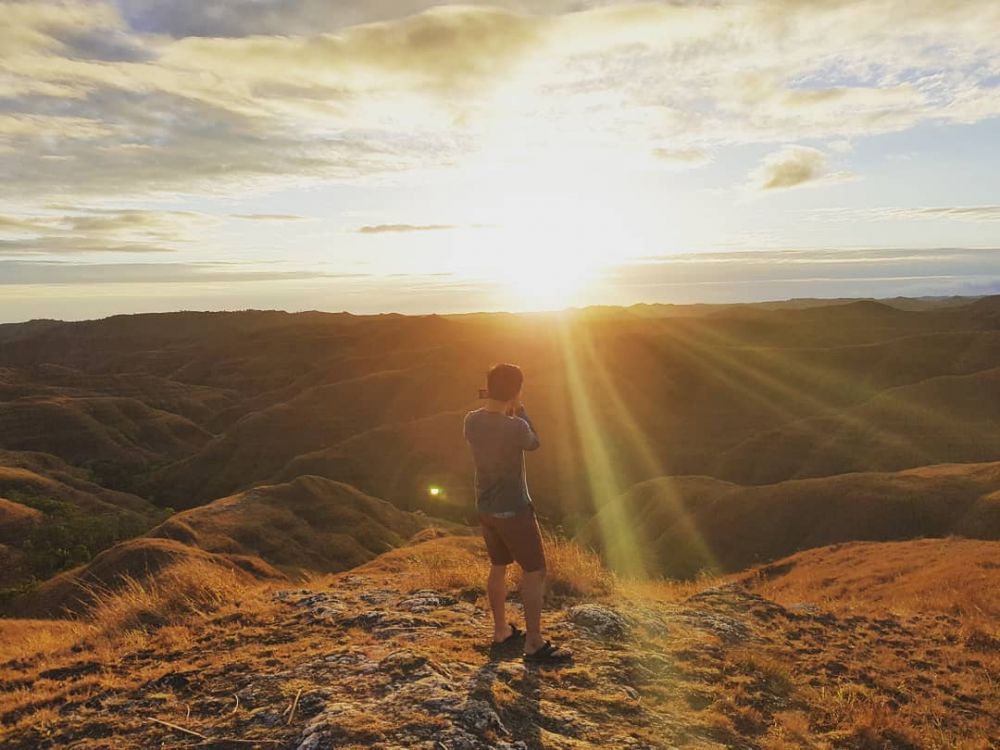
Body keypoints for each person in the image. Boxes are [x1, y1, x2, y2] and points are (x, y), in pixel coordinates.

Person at [463, 363, 572, 663]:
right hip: (514, 509)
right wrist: (519, 409)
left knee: (498, 566)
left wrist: (506, 403)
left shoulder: (471, 420)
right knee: (534, 571)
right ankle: (534, 642)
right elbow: (534, 443)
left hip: (485, 508)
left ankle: (501, 631)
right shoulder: (516, 426)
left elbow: (490, 424)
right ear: (516, 391)